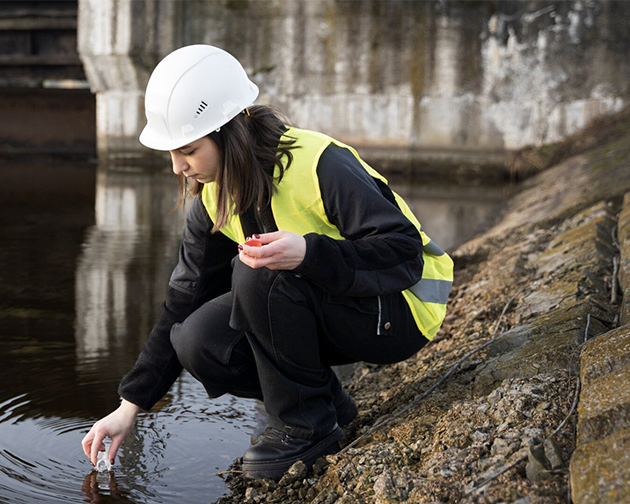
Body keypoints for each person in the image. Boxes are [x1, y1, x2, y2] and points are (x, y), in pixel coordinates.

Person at [82, 44, 453, 480]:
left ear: (228, 130)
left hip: (401, 310)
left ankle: (304, 428)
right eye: (171, 153)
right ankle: (326, 406)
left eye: (188, 150)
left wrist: (310, 254)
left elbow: (402, 251)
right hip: (340, 305)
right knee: (196, 340)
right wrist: (131, 406)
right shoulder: (214, 197)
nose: (178, 167)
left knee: (257, 274)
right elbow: (182, 302)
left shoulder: (319, 164)